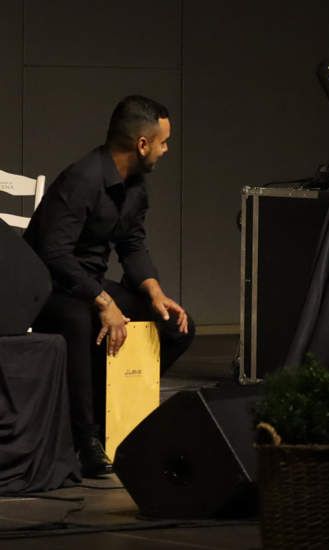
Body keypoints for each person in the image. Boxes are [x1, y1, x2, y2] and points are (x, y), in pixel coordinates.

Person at [25, 95, 195, 477]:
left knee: (176, 326)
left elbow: (132, 243)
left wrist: (154, 292)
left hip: (89, 283)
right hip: (50, 288)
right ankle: (86, 440)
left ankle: (113, 415)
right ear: (142, 144)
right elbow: (53, 253)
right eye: (163, 142)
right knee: (82, 322)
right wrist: (102, 300)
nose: (166, 150)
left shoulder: (134, 185)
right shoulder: (83, 179)